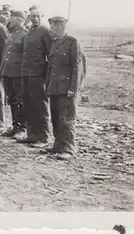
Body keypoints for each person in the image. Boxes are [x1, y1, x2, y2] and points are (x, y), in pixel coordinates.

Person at [44, 16, 86, 160]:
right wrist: (48, 85)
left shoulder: (73, 43)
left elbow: (77, 68)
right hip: (55, 86)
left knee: (67, 119)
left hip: (67, 88)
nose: (51, 30)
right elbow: (51, 67)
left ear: (60, 27)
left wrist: (74, 89)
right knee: (56, 117)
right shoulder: (54, 43)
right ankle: (58, 145)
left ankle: (68, 148)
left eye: (53, 27)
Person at [16, 5, 54, 147]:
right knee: (28, 104)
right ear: (29, 17)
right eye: (33, 16)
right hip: (26, 73)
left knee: (40, 106)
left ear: (42, 17)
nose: (35, 19)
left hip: (38, 74)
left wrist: (47, 76)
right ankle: (32, 134)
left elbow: (50, 55)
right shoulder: (30, 31)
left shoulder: (45, 32)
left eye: (38, 16)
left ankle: (43, 137)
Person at [0, 10, 28, 139]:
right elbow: (6, 54)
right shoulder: (11, 34)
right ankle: (15, 126)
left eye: (14, 18)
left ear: (21, 19)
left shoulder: (25, 34)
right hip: (9, 71)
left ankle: (22, 128)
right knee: (12, 100)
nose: (11, 20)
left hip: (18, 73)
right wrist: (2, 71)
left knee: (20, 101)